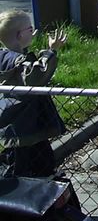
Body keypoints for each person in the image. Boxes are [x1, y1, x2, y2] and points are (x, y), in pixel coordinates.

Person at [0, 10, 67, 178]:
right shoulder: (17, 60)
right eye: (30, 29)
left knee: (38, 169)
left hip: (19, 128)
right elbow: (35, 76)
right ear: (19, 35)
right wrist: (50, 51)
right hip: (24, 128)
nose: (34, 32)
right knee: (23, 174)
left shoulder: (6, 56)